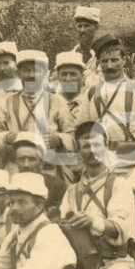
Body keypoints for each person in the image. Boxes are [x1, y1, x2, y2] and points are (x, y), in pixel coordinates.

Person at [57, 122, 135, 269]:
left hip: (114, 260)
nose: (92, 152)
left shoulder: (120, 185)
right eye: (85, 147)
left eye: (96, 145)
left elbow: (121, 228)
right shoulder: (72, 191)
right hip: (82, 265)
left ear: (107, 147)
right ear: (79, 151)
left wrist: (93, 222)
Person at [76, 34, 135, 194]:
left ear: (124, 60)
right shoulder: (91, 93)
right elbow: (81, 132)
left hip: (133, 168)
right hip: (100, 168)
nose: (109, 66)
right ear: (98, 64)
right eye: (104, 61)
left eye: (114, 60)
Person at [0, 50, 75, 174]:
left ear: (45, 73)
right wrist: (7, 137)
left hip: (48, 168)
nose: (32, 75)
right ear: (18, 74)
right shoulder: (6, 102)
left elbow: (72, 136)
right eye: (27, 70)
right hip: (15, 167)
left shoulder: (57, 101)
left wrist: (59, 139)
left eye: (36, 70)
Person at [52, 51, 89, 188]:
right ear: (58, 77)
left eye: (73, 74)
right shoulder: (50, 102)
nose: (68, 79)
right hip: (56, 166)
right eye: (64, 74)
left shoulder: (90, 101)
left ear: (82, 76)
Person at [10, 132, 65, 221]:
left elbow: (57, 217)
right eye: (21, 159)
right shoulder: (9, 186)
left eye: (32, 159)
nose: (26, 164)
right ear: (16, 162)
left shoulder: (56, 186)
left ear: (41, 163)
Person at [70, 6, 104, 90]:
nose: (82, 30)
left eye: (87, 26)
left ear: (96, 27)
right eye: (80, 26)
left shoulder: (104, 54)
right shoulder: (72, 53)